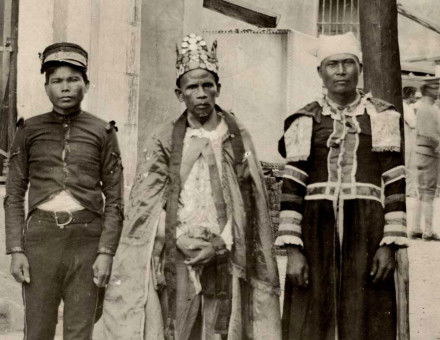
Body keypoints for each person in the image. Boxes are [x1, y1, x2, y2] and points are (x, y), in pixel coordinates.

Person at [103, 33, 281, 340]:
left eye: (207, 85)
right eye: (192, 87)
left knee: (221, 330)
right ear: (179, 93)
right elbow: (145, 205)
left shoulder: (238, 138)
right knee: (180, 328)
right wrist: (177, 239)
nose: (201, 94)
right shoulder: (164, 139)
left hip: (227, 252)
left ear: (218, 88)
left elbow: (251, 203)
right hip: (180, 251)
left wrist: (221, 244)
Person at [277, 32, 407, 339]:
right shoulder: (304, 119)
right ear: (319, 72)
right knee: (310, 318)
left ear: (359, 68)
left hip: (367, 232)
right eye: (332, 64)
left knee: (367, 316)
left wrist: (389, 245)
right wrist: (293, 251)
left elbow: (395, 182)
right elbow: (292, 185)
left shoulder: (382, 116)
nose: (341, 70)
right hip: (314, 231)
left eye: (348, 63)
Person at [4, 42, 124, 339]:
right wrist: (16, 250)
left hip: (87, 240)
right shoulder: (28, 131)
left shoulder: (103, 132)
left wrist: (106, 252)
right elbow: (14, 195)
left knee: (80, 330)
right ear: (46, 87)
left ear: (87, 84)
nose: (65, 87)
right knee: (38, 329)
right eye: (57, 81)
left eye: (74, 79)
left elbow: (115, 199)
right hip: (41, 241)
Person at [412, 78, 440, 240]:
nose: (437, 90)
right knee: (429, 192)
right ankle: (428, 231)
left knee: (421, 193)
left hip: (422, 153)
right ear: (428, 89)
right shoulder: (429, 109)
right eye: (435, 87)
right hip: (429, 153)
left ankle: (416, 228)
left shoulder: (424, 107)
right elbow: (430, 134)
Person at [402, 86, 420, 235]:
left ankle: (409, 190)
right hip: (408, 140)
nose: (416, 97)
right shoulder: (406, 108)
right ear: (410, 95)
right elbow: (413, 123)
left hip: (406, 139)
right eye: (414, 95)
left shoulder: (405, 106)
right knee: (409, 166)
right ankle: (410, 191)